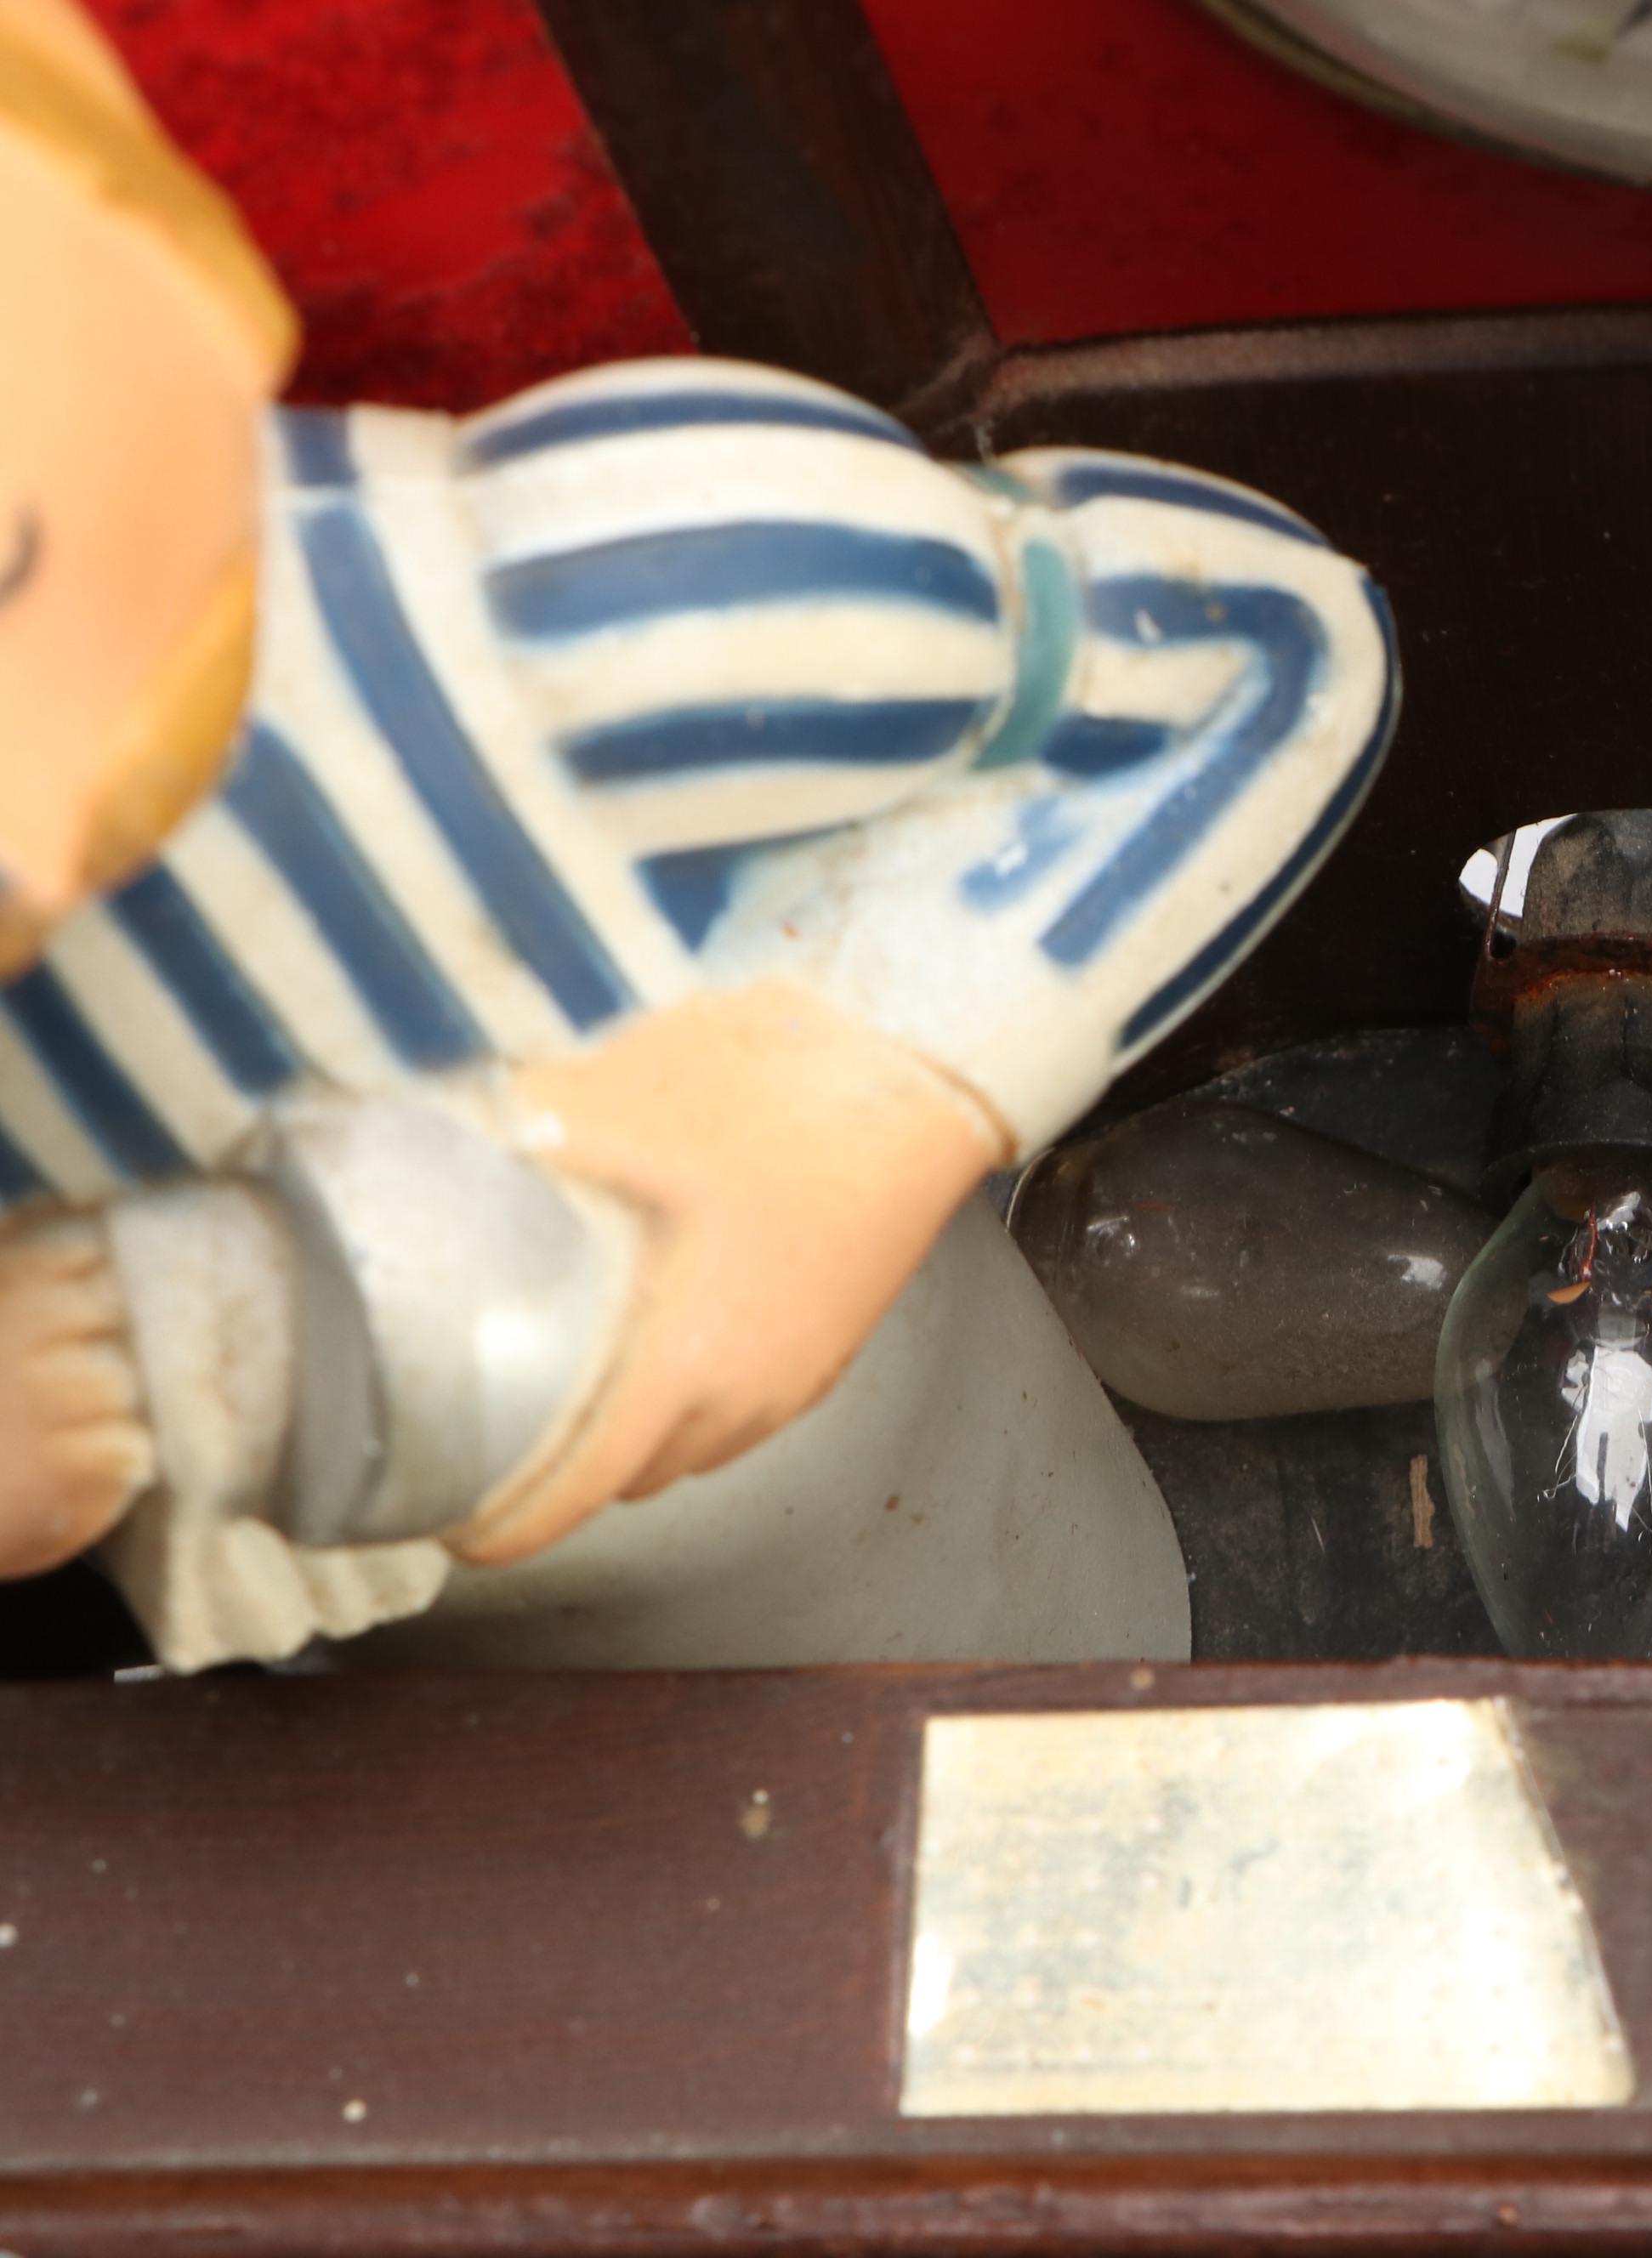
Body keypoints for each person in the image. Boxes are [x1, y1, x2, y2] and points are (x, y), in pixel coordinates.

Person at [0, 0, 1398, 1664]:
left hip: (980, 1564)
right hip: (433, 1764)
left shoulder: (584, 617)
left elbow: (1262, 641)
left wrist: (873, 1090)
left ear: (172, 283)